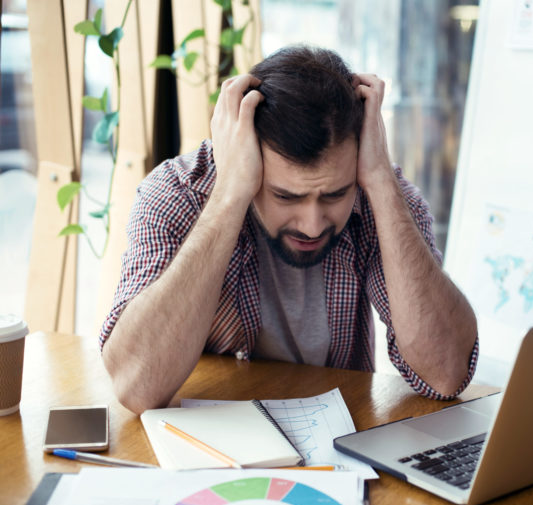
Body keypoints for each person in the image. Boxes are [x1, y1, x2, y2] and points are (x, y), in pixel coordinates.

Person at [100, 45, 479, 414]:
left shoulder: (380, 194)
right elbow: (136, 387)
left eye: (334, 194)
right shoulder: (177, 194)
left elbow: (445, 374)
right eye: (285, 196)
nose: (312, 225)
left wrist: (379, 180)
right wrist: (231, 194)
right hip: (211, 451)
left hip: (339, 447)